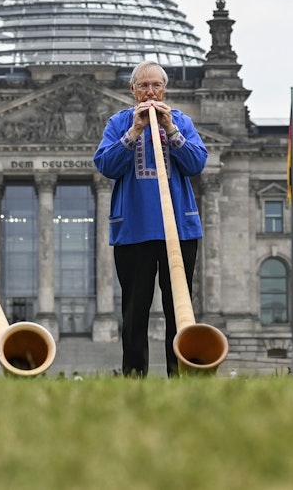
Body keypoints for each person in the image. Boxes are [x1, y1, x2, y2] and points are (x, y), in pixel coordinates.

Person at [94, 61, 209, 377]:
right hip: (134, 230)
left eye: (156, 85)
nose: (150, 92)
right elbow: (105, 165)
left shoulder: (181, 122)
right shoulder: (119, 123)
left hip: (179, 231)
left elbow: (197, 163)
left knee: (178, 308)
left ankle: (180, 374)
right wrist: (134, 132)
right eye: (143, 86)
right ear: (132, 90)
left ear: (165, 89)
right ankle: (134, 377)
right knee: (135, 311)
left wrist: (171, 131)